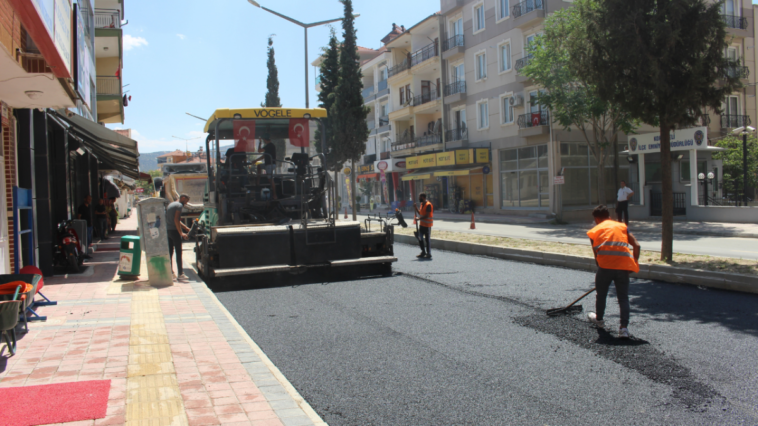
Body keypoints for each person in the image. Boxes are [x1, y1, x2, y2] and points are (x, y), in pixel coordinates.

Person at [586, 205, 641, 339]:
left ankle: (599, 320)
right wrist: (633, 264)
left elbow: (596, 256)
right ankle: (623, 329)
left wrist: (602, 273)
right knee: (623, 298)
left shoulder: (595, 231)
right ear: (609, 216)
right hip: (623, 267)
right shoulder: (622, 226)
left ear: (597, 219)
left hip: (605, 268)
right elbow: (637, 245)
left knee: (601, 294)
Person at [167, 194, 191, 281]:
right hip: (174, 231)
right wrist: (181, 233)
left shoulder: (171, 204)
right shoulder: (179, 205)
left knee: (170, 252)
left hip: (168, 230)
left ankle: (170, 273)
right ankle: (180, 274)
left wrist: (186, 228)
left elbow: (175, 219)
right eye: (186, 201)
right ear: (183, 198)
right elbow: (176, 219)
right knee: (178, 252)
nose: (186, 203)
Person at [413, 193, 433, 259]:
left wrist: (418, 218)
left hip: (427, 226)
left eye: (419, 197)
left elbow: (427, 215)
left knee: (427, 240)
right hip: (421, 225)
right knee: (420, 238)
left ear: (423, 197)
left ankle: (428, 253)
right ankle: (423, 252)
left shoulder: (428, 205)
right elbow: (420, 213)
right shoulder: (421, 204)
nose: (419, 199)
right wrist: (416, 208)